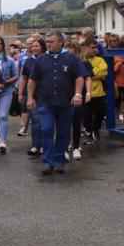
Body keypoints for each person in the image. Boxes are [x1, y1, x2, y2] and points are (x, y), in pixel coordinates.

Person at [26, 32, 86, 175]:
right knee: (46, 130)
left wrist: (78, 94)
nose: (48, 44)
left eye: (51, 41)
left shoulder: (71, 58)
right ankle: (47, 162)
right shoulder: (40, 59)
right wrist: (29, 97)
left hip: (65, 102)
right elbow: (32, 80)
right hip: (46, 102)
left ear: (61, 43)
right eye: (47, 41)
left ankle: (59, 161)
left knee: (63, 133)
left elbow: (80, 77)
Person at [0, 36, 19, 153]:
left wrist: (5, 82)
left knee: (3, 115)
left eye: (0, 44)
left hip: (6, 91)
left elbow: (16, 76)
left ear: (3, 46)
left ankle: (2, 141)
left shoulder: (10, 60)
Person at [81, 38, 109, 148]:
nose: (95, 50)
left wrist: (90, 74)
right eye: (92, 48)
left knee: (100, 114)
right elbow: (84, 75)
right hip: (86, 93)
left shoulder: (100, 60)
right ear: (85, 47)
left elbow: (104, 72)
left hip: (99, 93)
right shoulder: (81, 60)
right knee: (86, 116)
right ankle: (89, 133)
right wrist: (94, 72)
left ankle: (96, 129)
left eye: (95, 47)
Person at [21, 35, 45, 156]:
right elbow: (24, 77)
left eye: (37, 46)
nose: (34, 48)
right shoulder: (29, 61)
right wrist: (20, 93)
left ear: (42, 47)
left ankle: (44, 145)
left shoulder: (47, 59)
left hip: (45, 94)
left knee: (43, 121)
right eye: (32, 46)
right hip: (32, 95)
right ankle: (35, 145)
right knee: (35, 120)